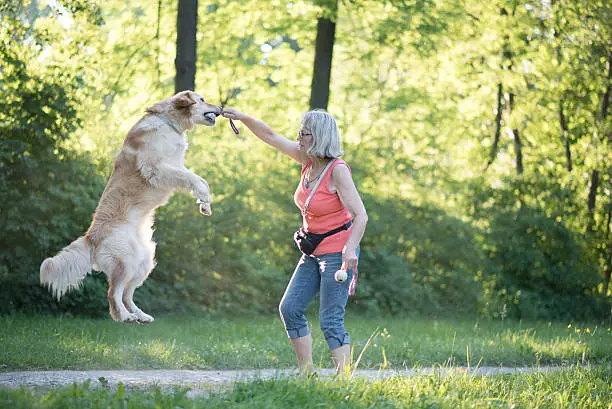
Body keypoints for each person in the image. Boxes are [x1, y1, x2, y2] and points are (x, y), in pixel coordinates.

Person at [221, 107, 368, 375]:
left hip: (338, 252)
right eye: (299, 132)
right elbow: (270, 135)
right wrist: (242, 116)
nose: (298, 137)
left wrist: (350, 250)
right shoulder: (306, 160)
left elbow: (361, 216)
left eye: (304, 134)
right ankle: (307, 372)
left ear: (320, 137)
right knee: (289, 308)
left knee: (330, 320)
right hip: (313, 251)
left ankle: (345, 380)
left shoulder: (338, 171)